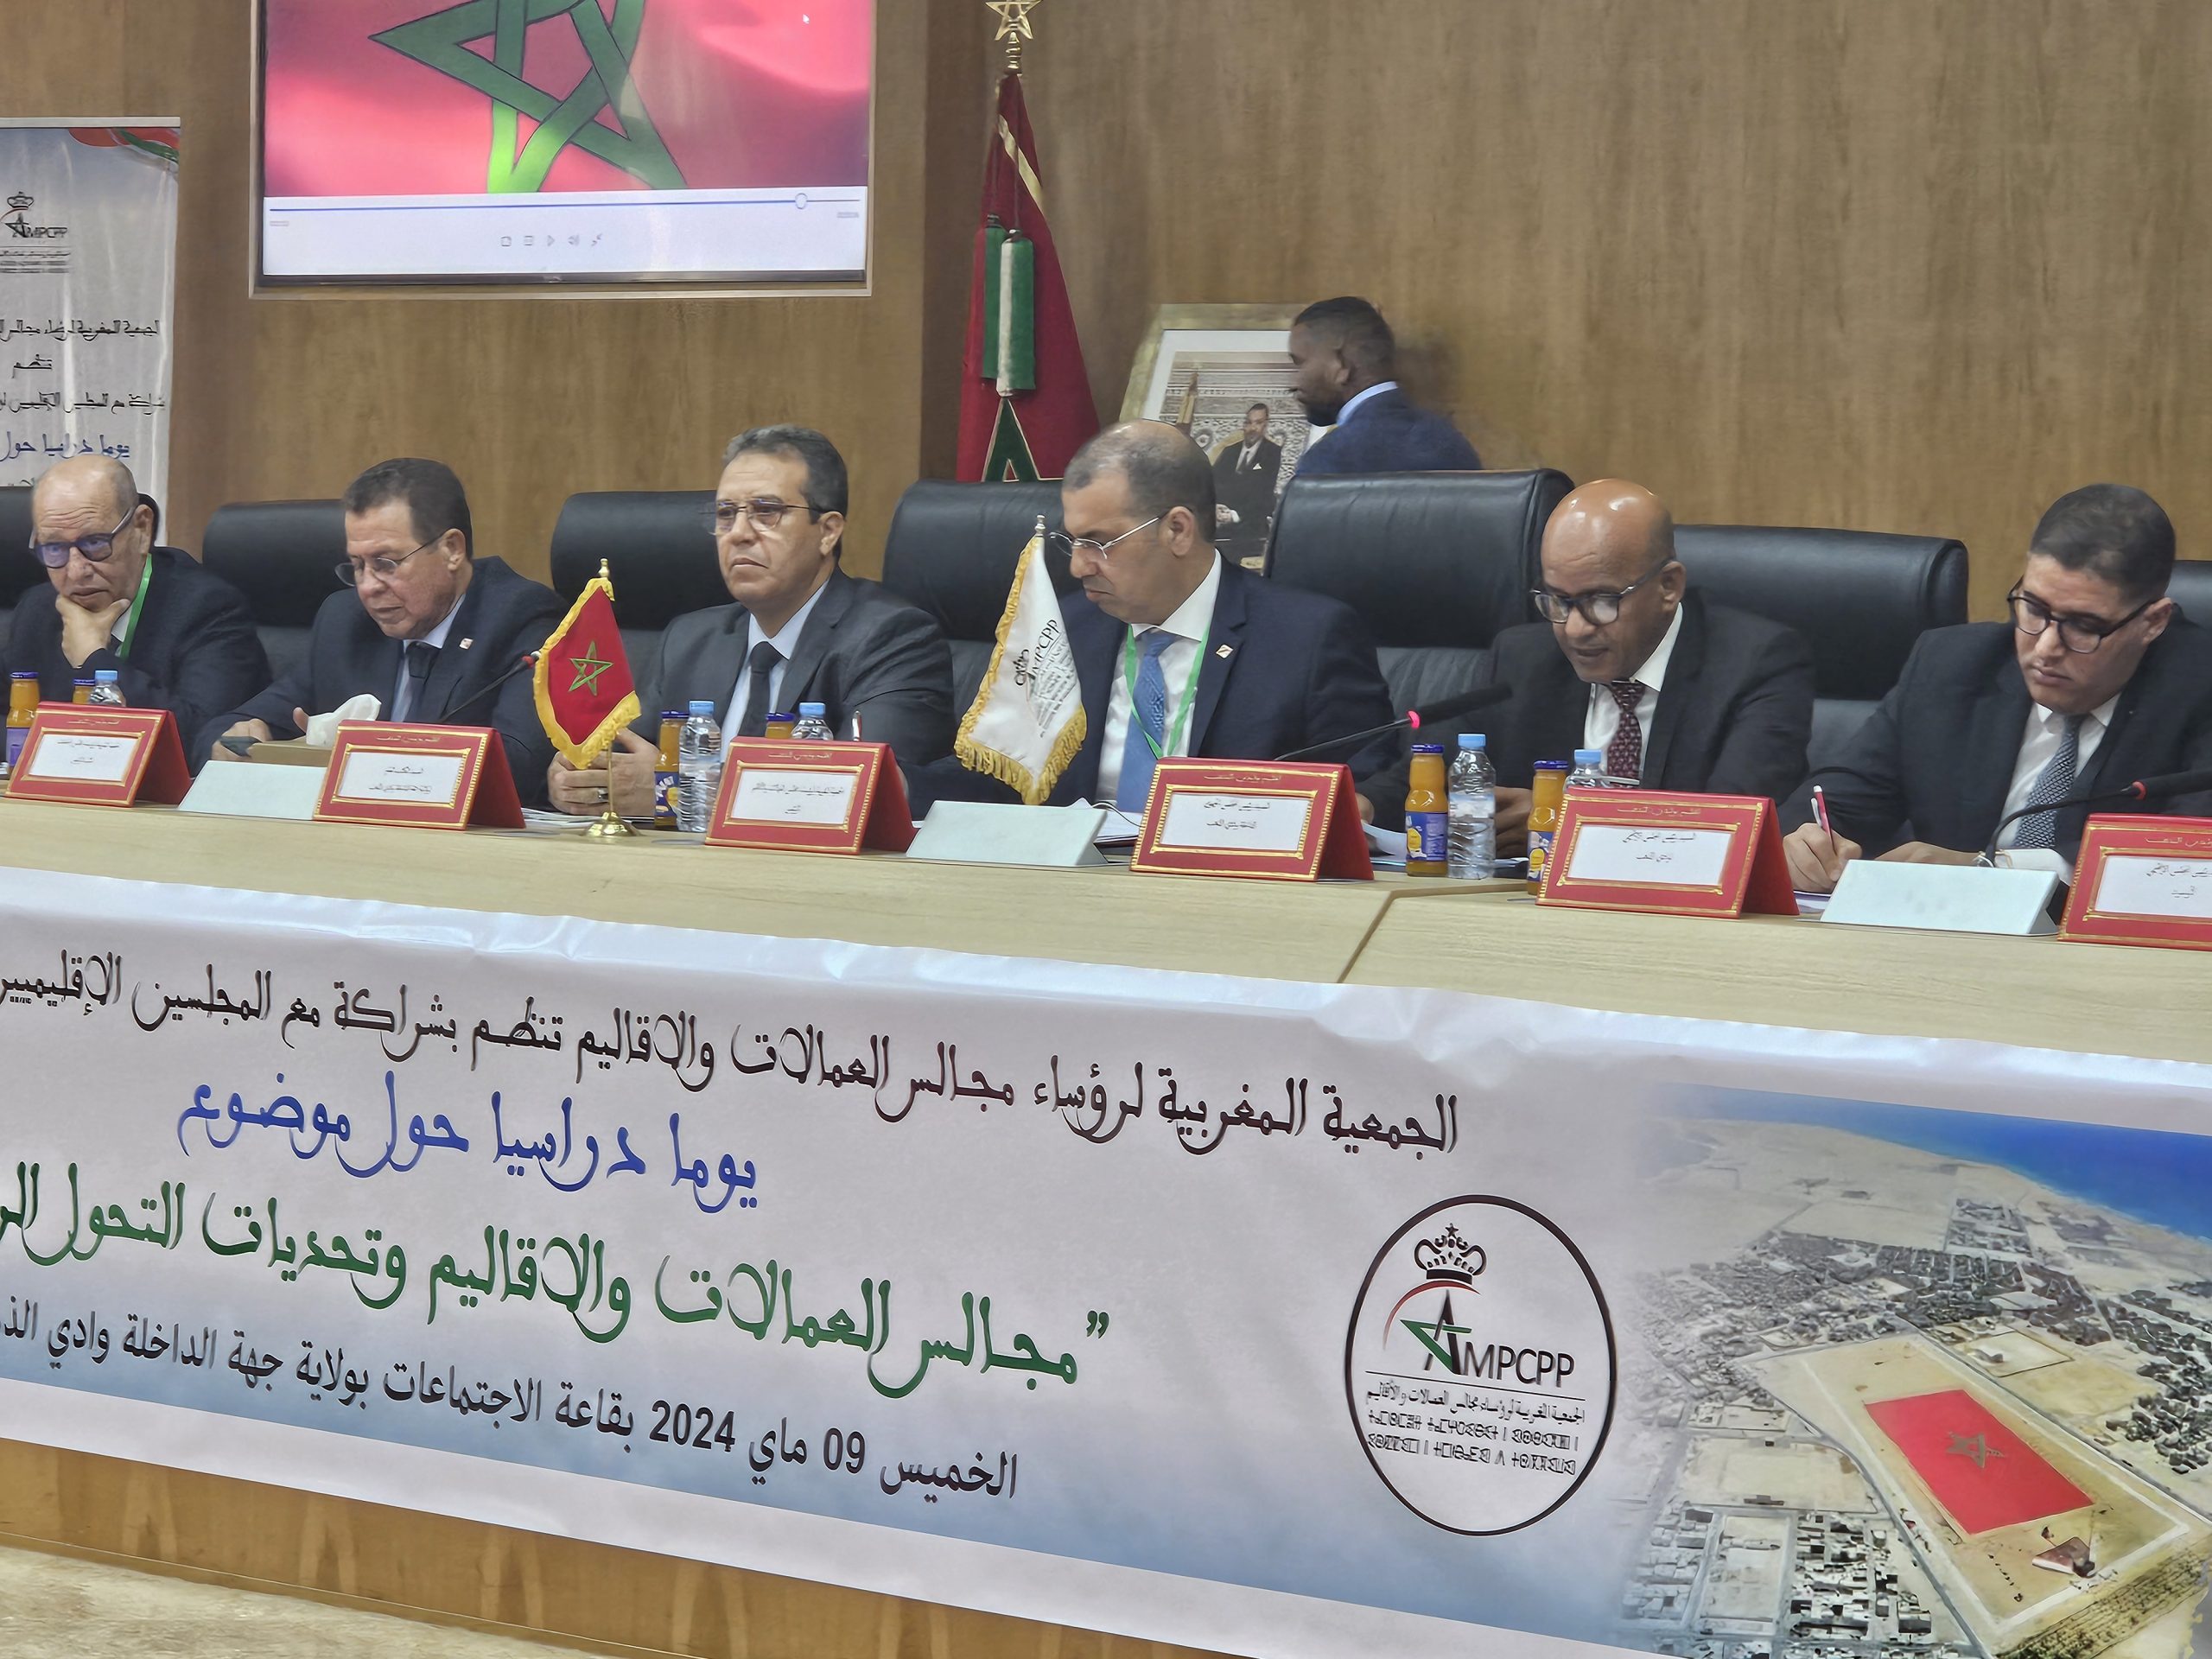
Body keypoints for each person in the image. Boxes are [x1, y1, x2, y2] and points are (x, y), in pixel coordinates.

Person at [912, 420, 1396, 812]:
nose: (1078, 566)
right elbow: (1000, 775)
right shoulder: (1063, 631)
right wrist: (897, 785)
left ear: (1178, 530)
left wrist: (1360, 804)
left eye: (1099, 542)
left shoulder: (1305, 638)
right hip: (1072, 878)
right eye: (1073, 542)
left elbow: (1370, 783)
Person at [1782, 483, 2212, 891]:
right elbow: (1839, 801)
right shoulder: (1951, 665)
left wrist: (1990, 872)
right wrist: (1806, 844)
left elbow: (2185, 863)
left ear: (2153, 622)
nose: (2045, 647)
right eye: (2034, 608)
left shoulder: (2199, 690)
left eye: (2084, 626)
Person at [1363, 480, 1814, 838]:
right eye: (1558, 601)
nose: (1576, 628)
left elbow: (1731, 822)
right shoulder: (1523, 658)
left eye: (1601, 600)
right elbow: (1423, 776)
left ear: (1668, 586)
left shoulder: (1755, 663)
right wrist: (1361, 806)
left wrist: (1565, 817)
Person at [546, 426, 954, 817]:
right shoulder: (691, 639)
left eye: (766, 511)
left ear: (828, 532)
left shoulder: (892, 638)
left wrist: (678, 792)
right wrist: (586, 776)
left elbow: (863, 789)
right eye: (726, 514)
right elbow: (630, 759)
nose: (738, 533)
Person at [205, 458, 563, 801]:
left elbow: (518, 765)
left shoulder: (520, 617)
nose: (367, 587)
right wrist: (233, 741)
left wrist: (353, 755)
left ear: (451, 549)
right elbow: (226, 726)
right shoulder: (346, 621)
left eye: (386, 563)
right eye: (358, 565)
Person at [4, 455, 267, 755]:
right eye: (54, 548)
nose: (76, 571)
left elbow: (200, 738)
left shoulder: (209, 609)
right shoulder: (38, 609)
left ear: (142, 528)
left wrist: (94, 658)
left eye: (95, 543)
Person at [1287, 296, 1481, 477]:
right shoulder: (1451, 442)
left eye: (1300, 363)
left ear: (1341, 365)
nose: (1293, 383)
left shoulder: (1329, 458)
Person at [1211, 402, 1282, 564]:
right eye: (1249, 423)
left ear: (1265, 425)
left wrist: (1234, 515)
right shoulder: (1229, 451)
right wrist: (1216, 507)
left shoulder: (1272, 453)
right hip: (1220, 521)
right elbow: (1213, 483)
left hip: (1249, 524)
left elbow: (1264, 494)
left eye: (1258, 423)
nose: (1252, 428)